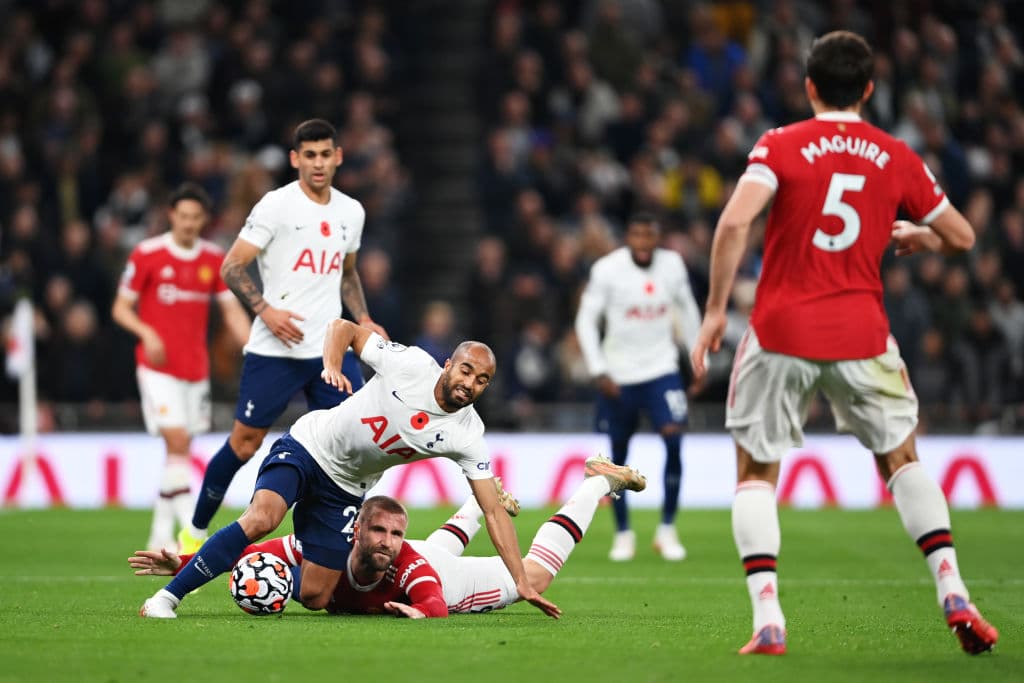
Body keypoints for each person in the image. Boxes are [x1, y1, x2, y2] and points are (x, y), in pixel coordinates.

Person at [689, 30, 998, 656]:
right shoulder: (896, 154)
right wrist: (920, 235)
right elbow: (963, 237)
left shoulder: (780, 144)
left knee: (755, 471)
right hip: (863, 334)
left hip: (780, 330)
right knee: (901, 459)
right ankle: (953, 590)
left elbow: (733, 223)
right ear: (869, 90)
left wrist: (716, 311)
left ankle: (768, 618)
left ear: (809, 87)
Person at [138, 319, 560, 620]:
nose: (470, 383)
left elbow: (492, 510)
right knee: (263, 518)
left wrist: (520, 580)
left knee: (317, 595)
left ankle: (271, 570)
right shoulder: (410, 364)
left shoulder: (468, 433)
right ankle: (167, 598)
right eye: (466, 370)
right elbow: (343, 328)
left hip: (345, 488)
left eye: (482, 380)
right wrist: (333, 365)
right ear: (449, 364)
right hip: (309, 445)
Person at [178, 118, 389, 554]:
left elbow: (347, 274)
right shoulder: (276, 206)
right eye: (308, 155)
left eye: (325, 154)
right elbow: (232, 266)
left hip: (329, 349)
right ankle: (192, 533)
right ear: (295, 159)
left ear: (338, 157)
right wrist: (266, 311)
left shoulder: (351, 212)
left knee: (354, 444)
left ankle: (342, 542)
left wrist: (364, 318)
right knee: (245, 442)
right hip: (275, 350)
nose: (317, 163)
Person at [130, 456, 646, 617]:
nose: (385, 539)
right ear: (353, 531)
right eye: (376, 529)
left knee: (536, 574)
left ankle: (598, 481)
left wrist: (416, 614)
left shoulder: (409, 568)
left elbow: (436, 608)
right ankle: (476, 505)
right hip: (427, 553)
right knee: (429, 543)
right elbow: (243, 549)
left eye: (392, 532)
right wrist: (182, 566)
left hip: (451, 582)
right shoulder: (318, 550)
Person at [111, 183, 251, 552]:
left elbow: (231, 309)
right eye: (183, 216)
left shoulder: (212, 259)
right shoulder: (147, 254)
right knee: (176, 441)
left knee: (179, 451)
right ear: (171, 215)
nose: (188, 223)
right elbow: (121, 308)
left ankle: (159, 537)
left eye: (195, 217)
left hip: (195, 371)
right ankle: (191, 534)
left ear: (204, 220)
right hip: (157, 368)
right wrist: (147, 333)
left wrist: (253, 346)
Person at [574, 214, 702, 562]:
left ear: (656, 237)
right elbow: (586, 319)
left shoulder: (672, 265)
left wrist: (697, 356)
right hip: (620, 375)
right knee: (618, 458)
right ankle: (624, 533)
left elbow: (688, 310)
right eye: (637, 235)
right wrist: (599, 369)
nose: (644, 243)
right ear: (628, 237)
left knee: (674, 439)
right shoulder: (607, 270)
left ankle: (667, 529)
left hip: (662, 369)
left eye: (650, 235)